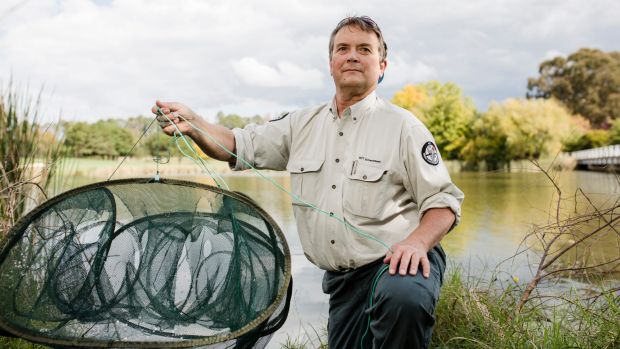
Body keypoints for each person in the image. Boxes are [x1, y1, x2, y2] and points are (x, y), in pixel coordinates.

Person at [153, 16, 464, 349]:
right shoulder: (300, 124)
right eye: (343, 49)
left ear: (382, 65)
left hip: (397, 264)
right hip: (344, 282)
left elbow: (444, 204)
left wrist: (417, 243)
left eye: (364, 49)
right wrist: (194, 123)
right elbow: (237, 144)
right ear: (331, 64)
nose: (353, 56)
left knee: (405, 300)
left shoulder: (405, 127)